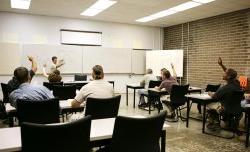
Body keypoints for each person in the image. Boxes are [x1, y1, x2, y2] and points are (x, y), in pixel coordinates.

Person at [207, 57, 242, 131]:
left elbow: (214, 97)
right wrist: (221, 65)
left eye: (225, 73)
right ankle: (229, 121)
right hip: (237, 110)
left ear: (228, 77)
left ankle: (215, 124)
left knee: (209, 105)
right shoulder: (237, 83)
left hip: (225, 110)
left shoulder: (225, 88)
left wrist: (209, 93)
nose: (223, 73)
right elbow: (230, 73)